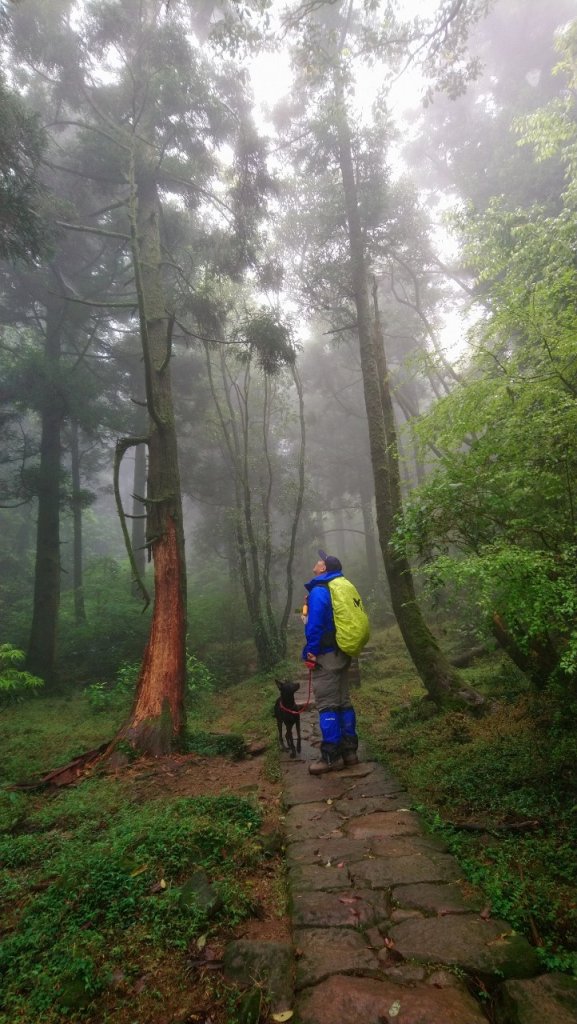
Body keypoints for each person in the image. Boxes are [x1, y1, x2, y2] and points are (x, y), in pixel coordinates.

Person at [302, 549, 359, 775]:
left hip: (325, 655)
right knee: (344, 702)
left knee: (327, 705)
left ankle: (331, 757)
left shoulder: (319, 591)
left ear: (324, 568)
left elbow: (314, 625)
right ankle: (350, 753)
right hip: (343, 652)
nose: (316, 563)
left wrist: (311, 651)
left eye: (319, 562)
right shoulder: (342, 587)